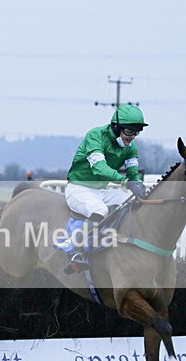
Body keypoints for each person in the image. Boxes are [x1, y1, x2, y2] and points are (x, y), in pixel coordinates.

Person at [63, 104, 149, 272]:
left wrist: (138, 185)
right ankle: (75, 252)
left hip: (101, 190)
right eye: (129, 131)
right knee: (100, 210)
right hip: (78, 188)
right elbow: (99, 168)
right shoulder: (96, 136)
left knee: (131, 202)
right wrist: (125, 182)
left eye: (136, 132)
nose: (132, 137)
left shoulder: (131, 147)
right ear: (116, 127)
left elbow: (133, 173)